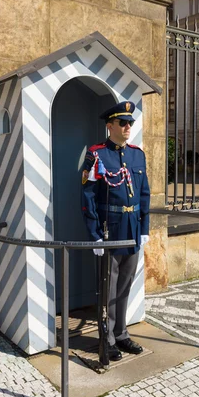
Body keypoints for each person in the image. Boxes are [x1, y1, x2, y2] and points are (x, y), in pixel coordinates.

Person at [81, 101, 150, 361]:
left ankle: (121, 334)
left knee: (125, 285)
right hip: (110, 230)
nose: (128, 126)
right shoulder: (97, 154)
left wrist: (144, 227)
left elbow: (144, 194)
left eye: (130, 122)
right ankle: (107, 338)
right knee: (108, 288)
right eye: (123, 123)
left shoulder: (137, 154)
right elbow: (87, 197)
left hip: (132, 228)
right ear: (110, 126)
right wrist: (94, 234)